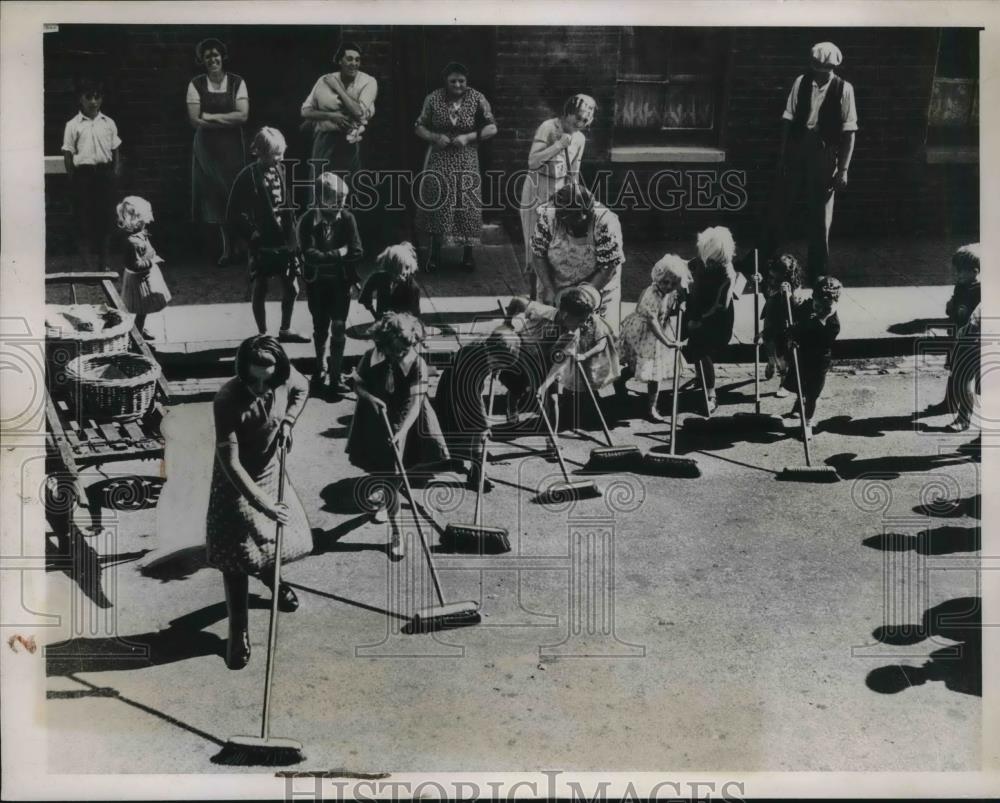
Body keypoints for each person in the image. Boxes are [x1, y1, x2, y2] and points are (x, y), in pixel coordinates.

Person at [205, 336, 312, 670]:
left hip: (269, 468)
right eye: (254, 380)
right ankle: (239, 632)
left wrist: (289, 422)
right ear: (242, 372)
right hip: (235, 482)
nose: (261, 387)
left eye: (268, 380)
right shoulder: (226, 400)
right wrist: (263, 503)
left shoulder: (283, 377)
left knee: (272, 540)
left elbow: (302, 388)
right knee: (237, 557)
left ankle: (273, 581)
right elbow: (232, 463)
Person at [346, 313, 449, 560]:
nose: (399, 354)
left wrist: (402, 431)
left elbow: (416, 403)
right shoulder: (371, 357)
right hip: (375, 418)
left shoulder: (417, 363)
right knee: (386, 472)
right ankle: (392, 518)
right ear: (383, 343)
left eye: (404, 349)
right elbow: (357, 385)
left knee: (394, 472)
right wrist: (370, 398)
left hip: (407, 420)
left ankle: (393, 520)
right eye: (394, 350)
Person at [754, 41, 859, 281]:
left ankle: (818, 271)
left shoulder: (844, 89)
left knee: (821, 215)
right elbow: (788, 119)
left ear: (833, 67)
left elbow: (849, 131)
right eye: (817, 67)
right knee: (779, 206)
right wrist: (783, 155)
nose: (820, 73)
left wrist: (843, 169)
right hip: (797, 147)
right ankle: (762, 261)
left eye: (826, 69)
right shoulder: (801, 82)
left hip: (824, 152)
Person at [226, 127, 309, 343]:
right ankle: (262, 333)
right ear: (259, 152)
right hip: (262, 243)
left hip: (283, 240)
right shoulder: (247, 176)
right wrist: (252, 233)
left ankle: (285, 329)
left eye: (281, 153)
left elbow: (287, 202)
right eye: (275, 154)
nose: (280, 158)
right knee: (260, 288)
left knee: (292, 287)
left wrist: (294, 234)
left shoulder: (280, 170)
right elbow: (233, 211)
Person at [414, 62, 498, 273]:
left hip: (466, 157)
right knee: (438, 201)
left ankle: (468, 255)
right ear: (446, 81)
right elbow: (419, 126)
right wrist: (434, 136)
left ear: (467, 81)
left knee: (467, 203)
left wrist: (469, 137)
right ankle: (434, 254)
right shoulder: (433, 98)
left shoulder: (477, 98)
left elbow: (492, 127)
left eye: (461, 81)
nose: (458, 85)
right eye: (453, 81)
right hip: (440, 157)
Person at [502, 284, 619, 431]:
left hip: (547, 360)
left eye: (587, 320)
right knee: (516, 388)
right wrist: (507, 322)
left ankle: (553, 440)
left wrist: (544, 386)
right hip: (523, 352)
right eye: (581, 320)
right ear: (565, 315)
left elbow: (559, 365)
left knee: (552, 399)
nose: (583, 325)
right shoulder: (543, 312)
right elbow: (517, 301)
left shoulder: (572, 335)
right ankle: (511, 408)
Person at [519, 95, 596, 296]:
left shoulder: (579, 138)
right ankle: (532, 296)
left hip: (559, 192)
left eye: (585, 121)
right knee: (534, 244)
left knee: (554, 245)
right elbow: (532, 162)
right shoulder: (548, 127)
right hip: (537, 187)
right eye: (577, 118)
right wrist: (558, 145)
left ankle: (549, 293)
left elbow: (574, 172)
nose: (580, 124)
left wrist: (575, 197)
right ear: (567, 113)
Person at [297, 172, 363, 395]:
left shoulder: (347, 218)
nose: (341, 206)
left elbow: (356, 251)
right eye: (337, 202)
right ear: (322, 200)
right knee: (320, 327)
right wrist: (339, 253)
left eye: (343, 201)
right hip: (317, 284)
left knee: (338, 326)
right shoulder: (307, 220)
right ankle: (320, 366)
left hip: (340, 284)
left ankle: (335, 375)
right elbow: (310, 254)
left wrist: (333, 255)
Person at [432, 326, 521, 491]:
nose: (497, 366)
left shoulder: (488, 346)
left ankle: (462, 461)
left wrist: (496, 368)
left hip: (462, 382)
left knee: (462, 426)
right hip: (457, 387)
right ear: (490, 352)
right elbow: (473, 399)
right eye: (497, 363)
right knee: (474, 427)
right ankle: (476, 473)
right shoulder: (473, 364)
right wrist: (484, 422)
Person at [186, 38, 249, 267]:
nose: (212, 60)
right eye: (207, 56)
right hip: (207, 149)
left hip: (232, 147)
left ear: (222, 57)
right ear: (202, 61)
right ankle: (226, 248)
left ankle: (242, 244)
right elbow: (195, 120)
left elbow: (243, 116)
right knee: (215, 196)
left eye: (216, 55)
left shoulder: (237, 82)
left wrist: (211, 117)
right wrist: (226, 120)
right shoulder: (196, 84)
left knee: (235, 193)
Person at [530, 183, 626, 331]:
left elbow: (608, 267)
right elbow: (538, 255)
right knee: (548, 332)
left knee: (597, 334)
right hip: (555, 284)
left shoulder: (605, 222)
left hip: (597, 287)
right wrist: (550, 289)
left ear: (587, 212)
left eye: (580, 218)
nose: (574, 226)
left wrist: (582, 298)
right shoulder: (549, 217)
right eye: (569, 220)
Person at [617, 254, 691, 422]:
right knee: (637, 365)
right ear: (658, 277)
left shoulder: (671, 291)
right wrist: (667, 341)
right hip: (644, 333)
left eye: (673, 283)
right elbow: (652, 321)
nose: (669, 286)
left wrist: (681, 304)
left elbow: (676, 301)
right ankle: (619, 381)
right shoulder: (651, 294)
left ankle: (651, 407)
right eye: (665, 282)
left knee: (654, 373)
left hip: (658, 331)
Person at [61, 78, 121, 270]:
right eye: (89, 97)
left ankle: (103, 264)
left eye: (97, 97)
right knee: (83, 220)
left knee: (105, 219)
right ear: (81, 99)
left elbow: (115, 149)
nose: (93, 102)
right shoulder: (73, 125)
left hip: (104, 175)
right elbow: (68, 153)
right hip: (83, 177)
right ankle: (87, 266)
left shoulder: (108, 123)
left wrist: (114, 172)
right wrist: (74, 178)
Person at [683, 227, 740, 414]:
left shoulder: (727, 274)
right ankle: (701, 377)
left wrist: (699, 320)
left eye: (714, 261)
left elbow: (721, 305)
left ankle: (711, 394)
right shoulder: (703, 259)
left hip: (715, 317)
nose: (708, 264)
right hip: (697, 307)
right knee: (691, 346)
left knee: (702, 349)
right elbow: (692, 264)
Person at [300, 41, 378, 177]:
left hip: (354, 142)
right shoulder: (324, 80)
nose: (354, 63)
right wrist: (331, 116)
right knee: (321, 186)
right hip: (324, 142)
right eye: (349, 59)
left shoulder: (368, 82)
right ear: (340, 61)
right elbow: (305, 111)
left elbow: (359, 112)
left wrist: (337, 88)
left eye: (357, 60)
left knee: (350, 188)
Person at [781, 275, 843, 439]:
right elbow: (794, 314)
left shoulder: (833, 324)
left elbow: (820, 338)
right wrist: (788, 296)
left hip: (819, 361)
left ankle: (808, 423)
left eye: (825, 308)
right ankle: (799, 401)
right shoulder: (808, 307)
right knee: (799, 385)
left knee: (813, 394)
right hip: (802, 356)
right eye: (816, 305)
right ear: (813, 298)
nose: (819, 310)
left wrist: (819, 320)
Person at [116, 196, 172, 341]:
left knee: (144, 309)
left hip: (144, 278)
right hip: (138, 282)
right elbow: (133, 265)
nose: (148, 221)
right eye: (145, 219)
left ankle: (140, 329)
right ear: (137, 220)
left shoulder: (140, 236)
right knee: (140, 309)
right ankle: (137, 338)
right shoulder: (133, 242)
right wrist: (151, 262)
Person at [942, 244, 981, 431]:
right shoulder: (961, 286)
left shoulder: (980, 290)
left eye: (960, 273)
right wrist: (950, 306)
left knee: (963, 378)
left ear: (975, 271)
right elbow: (954, 308)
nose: (957, 276)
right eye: (956, 272)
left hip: (972, 340)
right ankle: (949, 402)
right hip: (958, 337)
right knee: (955, 373)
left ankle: (964, 418)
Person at [760, 253, 805, 398]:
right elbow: (767, 293)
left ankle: (783, 381)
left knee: (782, 353)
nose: (772, 277)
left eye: (776, 274)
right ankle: (771, 361)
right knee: (768, 343)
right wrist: (759, 282)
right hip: (771, 317)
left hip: (784, 323)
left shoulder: (795, 287)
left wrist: (789, 295)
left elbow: (795, 308)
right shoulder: (772, 281)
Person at [359, 242, 422, 320]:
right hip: (382, 319)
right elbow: (370, 284)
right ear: (389, 269)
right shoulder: (381, 278)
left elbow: (414, 314)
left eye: (407, 268)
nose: (404, 273)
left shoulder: (412, 288)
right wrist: (367, 300)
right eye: (397, 271)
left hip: (403, 324)